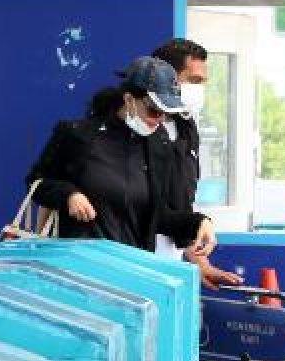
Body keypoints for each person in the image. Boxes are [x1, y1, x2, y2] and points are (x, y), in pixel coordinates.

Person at [27, 55, 216, 255]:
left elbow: (156, 217)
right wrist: (68, 195)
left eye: (165, 113)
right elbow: (36, 183)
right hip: (80, 267)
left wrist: (198, 222)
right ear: (128, 99)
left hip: (131, 270)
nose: (158, 120)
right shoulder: (78, 135)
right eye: (153, 111)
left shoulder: (159, 145)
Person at [150, 38, 243, 289]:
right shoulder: (135, 129)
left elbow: (181, 201)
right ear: (167, 78)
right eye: (194, 81)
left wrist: (198, 262)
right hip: (135, 264)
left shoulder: (186, 127)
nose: (199, 89)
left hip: (171, 263)